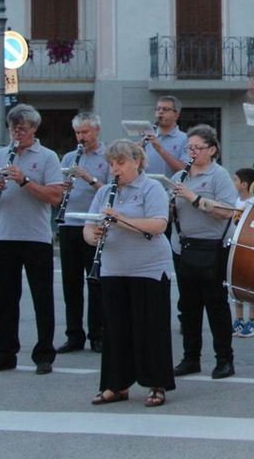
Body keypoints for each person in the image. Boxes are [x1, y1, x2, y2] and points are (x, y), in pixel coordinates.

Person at [83, 139, 174, 407]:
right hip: (113, 267)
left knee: (150, 328)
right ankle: (116, 384)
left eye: (121, 163)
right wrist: (92, 235)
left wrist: (121, 220)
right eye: (112, 164)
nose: (115, 169)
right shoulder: (105, 192)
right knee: (115, 329)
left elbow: (158, 225)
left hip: (148, 268)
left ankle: (156, 384)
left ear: (137, 161)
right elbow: (88, 225)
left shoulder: (151, 188)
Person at [0, 103, 64, 375]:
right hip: (4, 236)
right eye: (13, 129)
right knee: (4, 299)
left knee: (42, 297)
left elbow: (55, 197)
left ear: (34, 129)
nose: (17, 134)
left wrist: (24, 181)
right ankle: (5, 354)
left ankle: (44, 355)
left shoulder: (48, 157)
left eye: (23, 129)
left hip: (36, 237)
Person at [171, 125, 238, 380]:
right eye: (189, 148)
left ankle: (224, 359)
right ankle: (191, 358)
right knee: (188, 307)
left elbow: (227, 211)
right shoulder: (180, 175)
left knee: (216, 306)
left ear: (211, 150)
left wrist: (194, 198)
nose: (192, 153)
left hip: (213, 249)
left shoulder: (219, 175)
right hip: (183, 248)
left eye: (197, 148)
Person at [56, 111, 110, 354]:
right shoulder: (69, 157)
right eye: (78, 133)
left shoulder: (108, 157)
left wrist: (88, 178)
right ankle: (73, 335)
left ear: (97, 130)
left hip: (93, 225)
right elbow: (58, 193)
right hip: (69, 223)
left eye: (85, 132)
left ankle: (97, 334)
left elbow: (110, 191)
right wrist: (63, 187)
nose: (81, 137)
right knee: (71, 284)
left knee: (95, 282)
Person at [230, 168, 254, 339]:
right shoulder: (236, 200)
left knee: (251, 284)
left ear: (244, 184)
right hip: (237, 245)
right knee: (237, 285)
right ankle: (239, 319)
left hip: (250, 245)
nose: (232, 183)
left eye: (235, 179)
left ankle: (252, 321)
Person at [143, 96, 189, 176]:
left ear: (176, 115)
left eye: (165, 109)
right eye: (158, 109)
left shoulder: (186, 139)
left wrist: (159, 149)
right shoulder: (148, 136)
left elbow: (185, 170)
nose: (160, 112)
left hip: (171, 184)